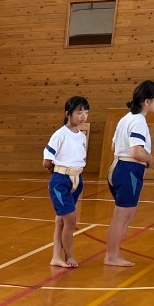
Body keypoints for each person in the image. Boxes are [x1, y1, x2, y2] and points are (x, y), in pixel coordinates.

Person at [104, 80, 154, 267]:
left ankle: (113, 254)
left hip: (117, 167)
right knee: (121, 218)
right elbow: (136, 152)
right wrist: (150, 158)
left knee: (122, 216)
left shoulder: (125, 118)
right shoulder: (138, 121)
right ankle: (112, 256)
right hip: (129, 170)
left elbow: (114, 145)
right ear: (147, 101)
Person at [43, 96, 91, 269]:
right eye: (79, 112)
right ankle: (69, 255)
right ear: (68, 114)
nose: (83, 116)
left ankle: (56, 257)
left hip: (77, 180)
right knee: (70, 221)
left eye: (86, 112)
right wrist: (58, 174)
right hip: (61, 181)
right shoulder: (60, 134)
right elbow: (47, 161)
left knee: (61, 221)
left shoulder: (82, 136)